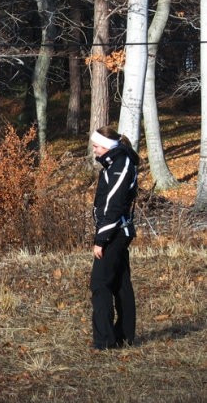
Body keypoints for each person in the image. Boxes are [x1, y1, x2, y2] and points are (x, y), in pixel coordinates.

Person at [89, 126, 139, 350]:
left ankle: (105, 341)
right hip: (117, 231)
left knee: (100, 284)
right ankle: (124, 336)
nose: (94, 151)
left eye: (97, 146)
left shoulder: (121, 164)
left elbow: (114, 204)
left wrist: (101, 239)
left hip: (115, 233)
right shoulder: (114, 163)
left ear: (108, 147)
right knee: (120, 284)